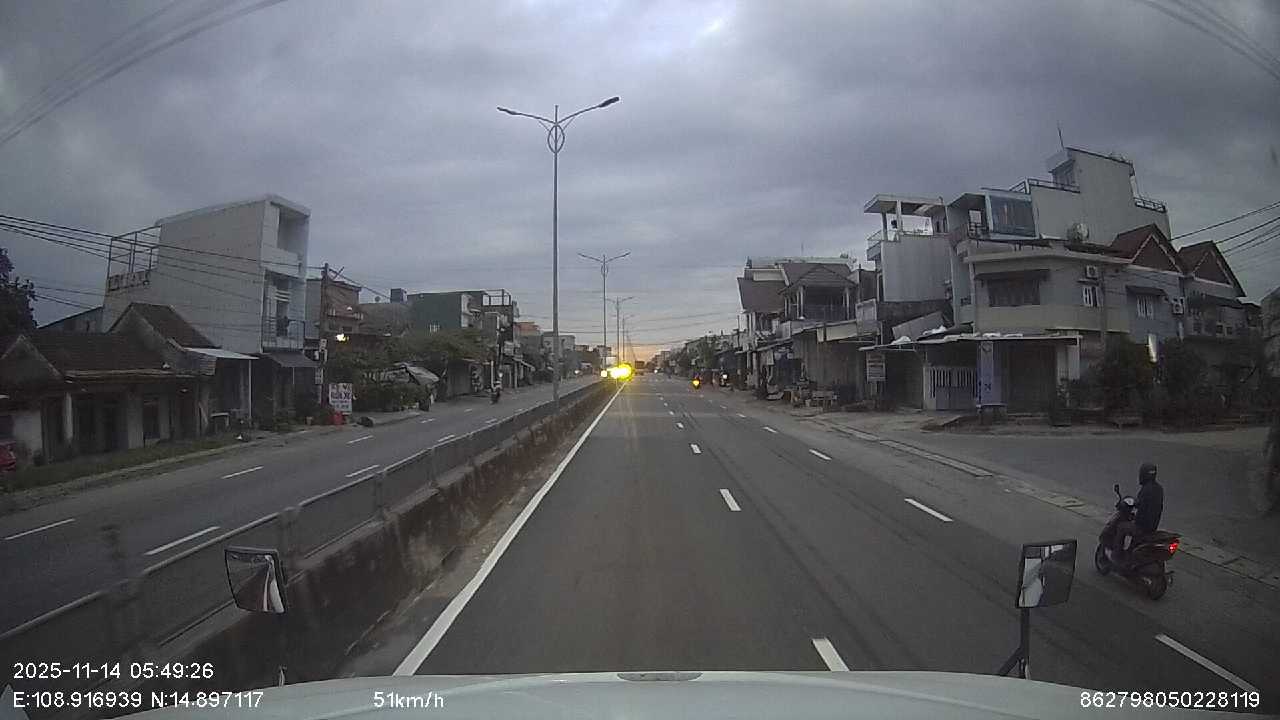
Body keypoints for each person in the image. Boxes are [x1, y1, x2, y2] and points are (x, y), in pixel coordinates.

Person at [1111, 462, 1164, 558]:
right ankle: (1131, 551)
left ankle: (1117, 555)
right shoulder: (1159, 489)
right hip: (1153, 525)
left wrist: (1128, 504)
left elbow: (1138, 503)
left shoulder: (1146, 490)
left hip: (1142, 526)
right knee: (1132, 524)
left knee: (1121, 527)